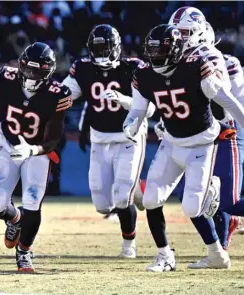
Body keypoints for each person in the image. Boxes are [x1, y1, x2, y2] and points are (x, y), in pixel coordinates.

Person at [124, 24, 244, 272]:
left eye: (161, 51)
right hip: (171, 141)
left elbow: (227, 102)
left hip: (201, 143)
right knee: (151, 199)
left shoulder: (195, 67)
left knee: (191, 207)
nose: (155, 57)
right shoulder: (145, 74)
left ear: (176, 50)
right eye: (152, 51)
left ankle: (215, 246)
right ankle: (165, 256)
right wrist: (131, 122)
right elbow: (138, 108)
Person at [0, 42, 71, 272]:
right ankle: (15, 220)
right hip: (7, 146)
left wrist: (33, 150)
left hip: (37, 152)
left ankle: (24, 252)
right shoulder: (5, 79)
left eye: (38, 71)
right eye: (28, 68)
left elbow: (54, 137)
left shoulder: (58, 94)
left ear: (48, 72)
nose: (31, 75)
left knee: (32, 200)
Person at [61, 24, 152, 258]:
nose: (101, 54)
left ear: (116, 48)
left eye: (105, 49)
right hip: (100, 140)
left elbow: (150, 109)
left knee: (122, 196)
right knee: (102, 203)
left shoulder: (133, 68)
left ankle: (128, 245)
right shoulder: (82, 68)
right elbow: (64, 94)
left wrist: (123, 99)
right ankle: (139, 191)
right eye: (97, 49)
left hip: (129, 138)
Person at [169, 7, 244, 253]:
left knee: (226, 201)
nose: (181, 39)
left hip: (229, 132)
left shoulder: (222, 61)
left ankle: (221, 242)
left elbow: (229, 105)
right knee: (189, 195)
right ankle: (218, 249)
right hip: (199, 135)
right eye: (177, 33)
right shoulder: (174, 64)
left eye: (186, 32)